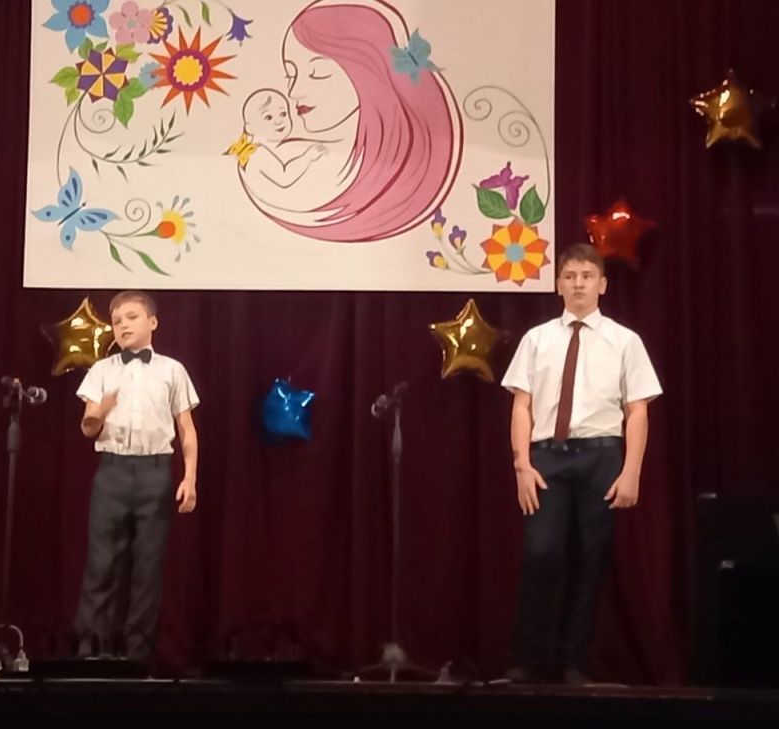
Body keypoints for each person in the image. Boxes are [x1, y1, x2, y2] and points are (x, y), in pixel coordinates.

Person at [500, 242, 662, 685]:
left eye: (587, 277)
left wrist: (631, 471)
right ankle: (527, 658)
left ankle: (574, 662)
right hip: (547, 459)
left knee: (592, 559)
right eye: (570, 276)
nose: (578, 284)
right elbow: (521, 406)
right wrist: (522, 464)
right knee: (541, 554)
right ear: (558, 285)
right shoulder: (537, 339)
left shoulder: (625, 341)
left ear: (602, 284)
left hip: (602, 457)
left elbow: (637, 411)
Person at [242, 0, 459, 242]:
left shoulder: (395, 173)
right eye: (290, 75)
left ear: (367, 73)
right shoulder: (276, 155)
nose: (294, 92)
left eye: (317, 73)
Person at [73, 290, 199, 669]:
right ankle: (90, 653)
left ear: (152, 322)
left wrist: (190, 478)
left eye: (131, 317)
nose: (123, 325)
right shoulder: (102, 370)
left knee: (147, 567)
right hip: (112, 470)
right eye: (117, 321)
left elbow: (186, 429)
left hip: (155, 472)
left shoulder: (172, 370)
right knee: (102, 563)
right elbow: (88, 428)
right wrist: (99, 411)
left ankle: (138, 657)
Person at [230, 88, 328, 188]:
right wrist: (307, 157)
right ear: (250, 128)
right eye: (268, 117)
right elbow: (284, 178)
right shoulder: (257, 153)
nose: (278, 121)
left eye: (283, 114)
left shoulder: (267, 149)